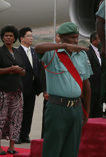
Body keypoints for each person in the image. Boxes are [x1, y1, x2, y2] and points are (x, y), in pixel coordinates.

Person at [36, 23, 91, 157]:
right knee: (52, 149)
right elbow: (38, 48)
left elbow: (86, 83)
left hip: (76, 108)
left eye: (77, 37)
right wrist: (63, 46)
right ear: (61, 38)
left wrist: (87, 110)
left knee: (71, 149)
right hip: (57, 108)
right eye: (72, 37)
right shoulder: (52, 53)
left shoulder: (81, 55)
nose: (76, 41)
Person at [0, 24, 26, 155]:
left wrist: (20, 71)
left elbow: (21, 68)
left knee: (15, 118)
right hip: (2, 90)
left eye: (11, 35)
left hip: (17, 90)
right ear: (2, 37)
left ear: (15, 37)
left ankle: (12, 146)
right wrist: (11, 69)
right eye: (6, 35)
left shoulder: (18, 52)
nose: (8, 38)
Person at [17, 27, 45, 143]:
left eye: (32, 36)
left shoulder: (34, 52)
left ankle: (25, 134)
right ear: (22, 38)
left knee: (29, 112)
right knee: (18, 113)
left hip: (32, 87)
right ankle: (16, 135)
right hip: (21, 86)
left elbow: (38, 69)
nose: (31, 38)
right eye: (29, 36)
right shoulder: (17, 52)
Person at [86, 31, 103, 118]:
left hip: (100, 86)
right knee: (90, 110)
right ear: (93, 40)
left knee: (99, 111)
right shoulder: (87, 52)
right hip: (92, 86)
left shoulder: (102, 51)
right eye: (100, 39)